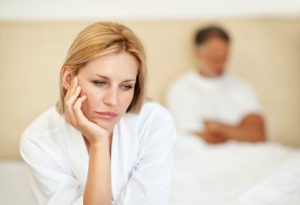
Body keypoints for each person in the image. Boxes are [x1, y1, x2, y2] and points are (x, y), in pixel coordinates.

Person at [20, 22, 176, 205]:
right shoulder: (38, 140)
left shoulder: (154, 122)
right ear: (69, 79)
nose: (113, 101)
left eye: (126, 86)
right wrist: (99, 143)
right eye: (100, 83)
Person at [166, 25, 265, 144]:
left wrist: (218, 126)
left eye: (224, 58)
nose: (220, 65)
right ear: (198, 54)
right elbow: (208, 138)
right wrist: (240, 129)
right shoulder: (180, 89)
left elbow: (258, 135)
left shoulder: (242, 87)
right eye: (214, 58)